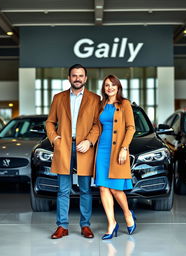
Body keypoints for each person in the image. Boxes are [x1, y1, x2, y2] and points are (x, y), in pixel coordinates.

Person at [46, 64, 100, 239]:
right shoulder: (58, 97)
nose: (77, 78)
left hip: (84, 148)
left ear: (85, 78)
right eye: (74, 75)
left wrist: (90, 141)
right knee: (63, 190)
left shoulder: (95, 99)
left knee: (85, 189)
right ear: (69, 78)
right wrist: (55, 139)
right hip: (64, 147)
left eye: (81, 76)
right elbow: (50, 122)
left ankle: (85, 225)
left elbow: (97, 125)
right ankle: (62, 226)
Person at [95, 74, 136, 240]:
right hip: (102, 150)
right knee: (103, 187)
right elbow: (96, 126)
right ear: (104, 88)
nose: (110, 88)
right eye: (106, 85)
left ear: (118, 87)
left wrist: (124, 148)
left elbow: (131, 128)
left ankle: (127, 214)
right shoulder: (101, 104)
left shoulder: (124, 104)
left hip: (117, 149)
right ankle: (111, 224)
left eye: (113, 85)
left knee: (116, 189)